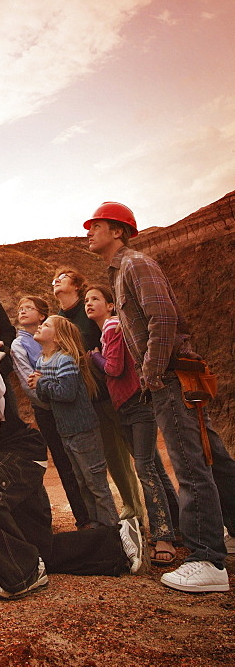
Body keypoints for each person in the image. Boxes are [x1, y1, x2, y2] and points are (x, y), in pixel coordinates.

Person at [0, 307, 143, 600]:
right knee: (39, 548)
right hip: (3, 458)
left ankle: (22, 574)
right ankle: (119, 542)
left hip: (20, 457)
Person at [84, 201, 235, 593]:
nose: (89, 232)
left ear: (118, 230)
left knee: (189, 462)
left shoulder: (135, 264)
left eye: (96, 226)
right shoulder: (120, 273)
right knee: (210, 455)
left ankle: (207, 559)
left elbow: (163, 318)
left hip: (170, 377)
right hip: (171, 375)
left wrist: (151, 373)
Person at [85, 284, 177, 564]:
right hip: (128, 405)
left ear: (111, 305)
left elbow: (114, 368)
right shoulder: (108, 330)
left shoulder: (112, 328)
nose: (89, 303)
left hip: (136, 403)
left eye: (96, 299)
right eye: (87, 300)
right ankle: (177, 525)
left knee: (145, 467)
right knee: (154, 466)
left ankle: (163, 536)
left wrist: (94, 357)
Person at [52, 268, 144, 522]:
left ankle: (167, 513)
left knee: (143, 456)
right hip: (92, 399)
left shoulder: (89, 309)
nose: (57, 280)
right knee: (114, 459)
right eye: (54, 278)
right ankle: (132, 507)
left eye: (64, 276)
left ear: (77, 284)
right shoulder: (60, 319)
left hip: (116, 391)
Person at [28, 315, 126, 535]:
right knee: (82, 482)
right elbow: (47, 398)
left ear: (58, 337)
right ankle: (96, 529)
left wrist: (41, 383)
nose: (40, 326)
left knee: (95, 483)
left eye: (46, 325)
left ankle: (113, 530)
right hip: (66, 431)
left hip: (83, 429)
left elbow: (66, 393)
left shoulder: (65, 360)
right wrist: (39, 385)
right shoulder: (41, 361)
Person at [10, 296, 90, 529]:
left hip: (72, 405)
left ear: (42, 315)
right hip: (47, 409)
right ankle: (83, 518)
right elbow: (28, 383)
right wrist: (52, 397)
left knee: (84, 459)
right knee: (65, 463)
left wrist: (53, 386)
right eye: (20, 308)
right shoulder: (19, 344)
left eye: (29, 308)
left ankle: (99, 514)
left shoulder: (54, 334)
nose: (23, 311)